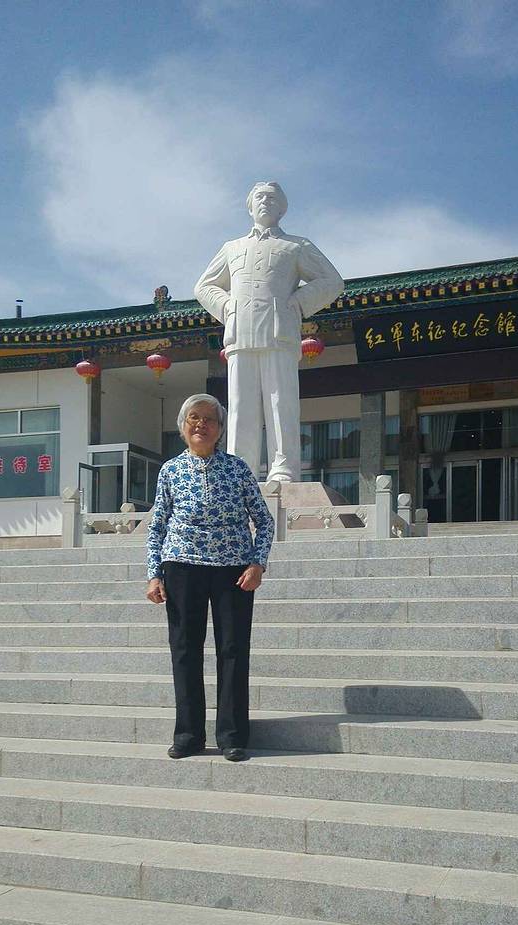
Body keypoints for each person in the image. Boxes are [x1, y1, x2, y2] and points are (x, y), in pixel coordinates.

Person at [146, 394, 274, 762]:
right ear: (183, 426)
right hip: (182, 567)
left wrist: (258, 564)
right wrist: (154, 574)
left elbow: (264, 521)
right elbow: (157, 526)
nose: (201, 425)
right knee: (185, 650)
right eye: (194, 418)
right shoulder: (170, 470)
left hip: (233, 571)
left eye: (209, 419)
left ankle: (232, 735)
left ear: (220, 429)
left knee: (233, 650)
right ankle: (188, 735)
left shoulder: (237, 469)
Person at [194, 181, 344, 482]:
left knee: (281, 403)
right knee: (241, 406)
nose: (265, 202)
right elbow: (204, 286)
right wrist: (228, 306)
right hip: (241, 333)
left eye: (272, 198)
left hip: (279, 332)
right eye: (260, 197)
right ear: (250, 207)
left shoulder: (296, 246)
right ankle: (241, 470)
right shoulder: (232, 248)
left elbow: (332, 281)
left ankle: (283, 467)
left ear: (282, 209)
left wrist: (297, 303)